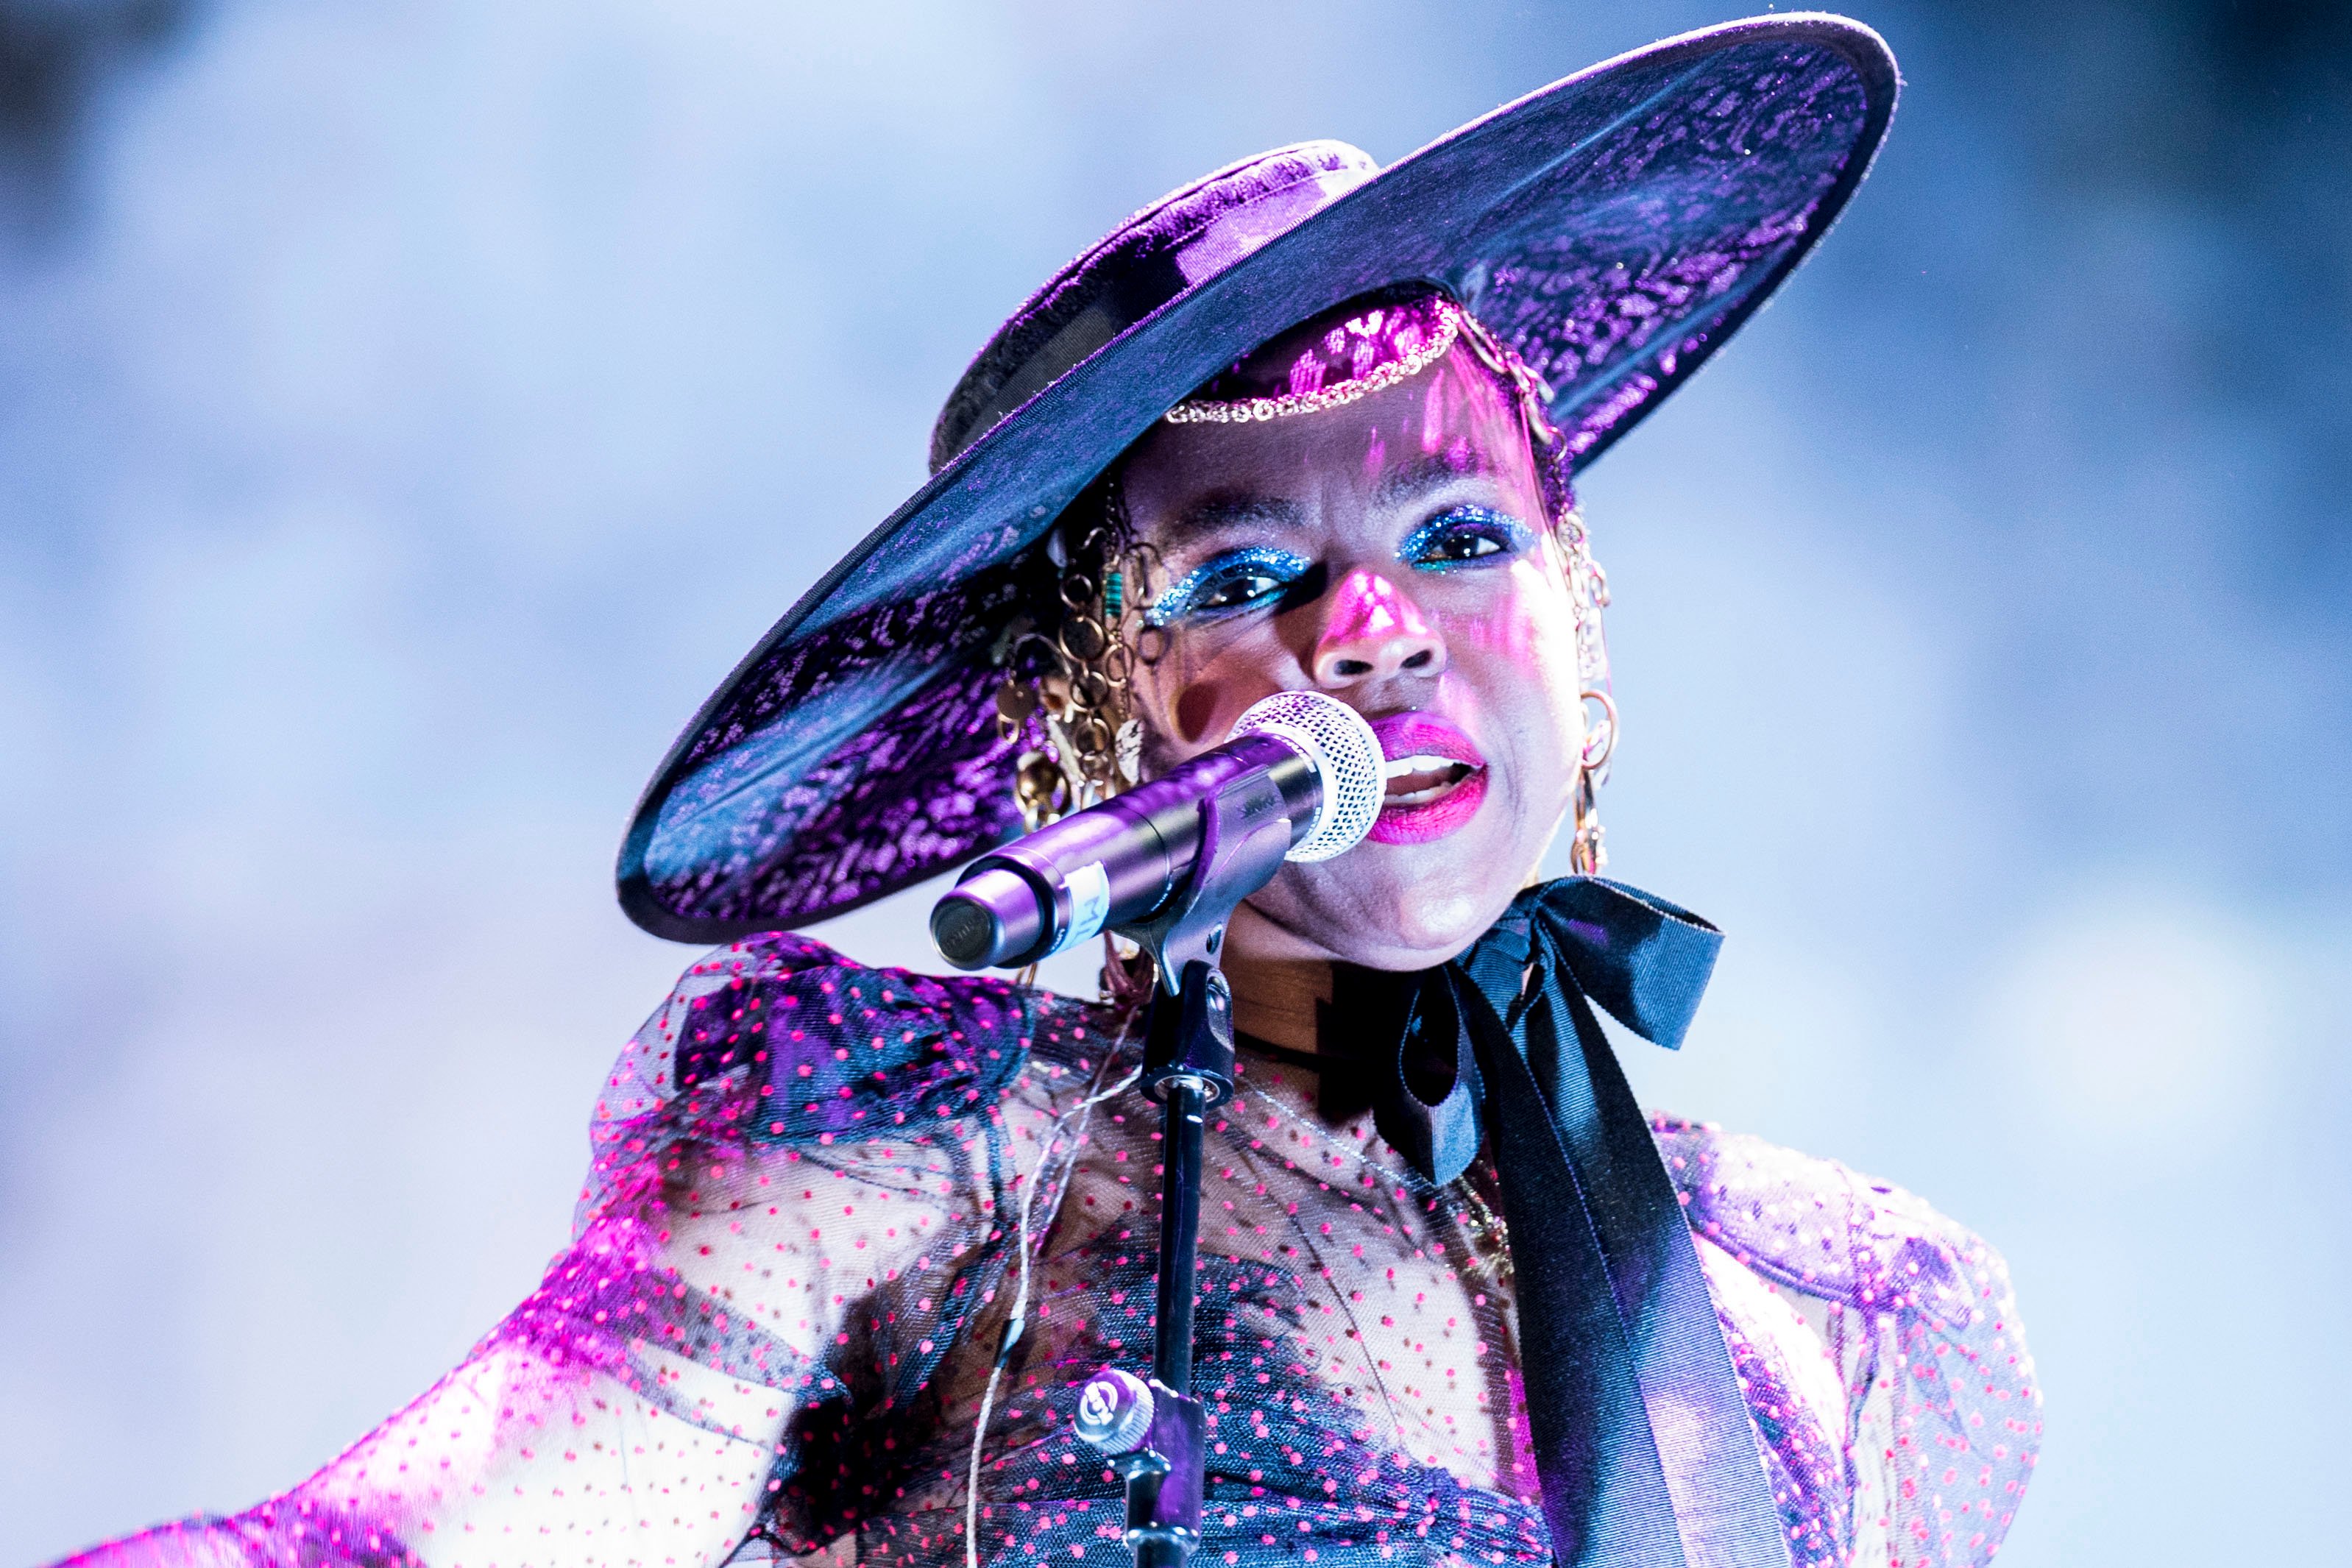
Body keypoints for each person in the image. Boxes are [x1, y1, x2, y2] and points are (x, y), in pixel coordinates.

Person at [60, 17, 2039, 1568]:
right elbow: (413, 1543)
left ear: (1576, 621)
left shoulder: (1842, 1305)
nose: (1371, 629)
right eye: (1243, 578)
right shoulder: (904, 1150)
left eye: (1455, 535)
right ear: (1099, 714)